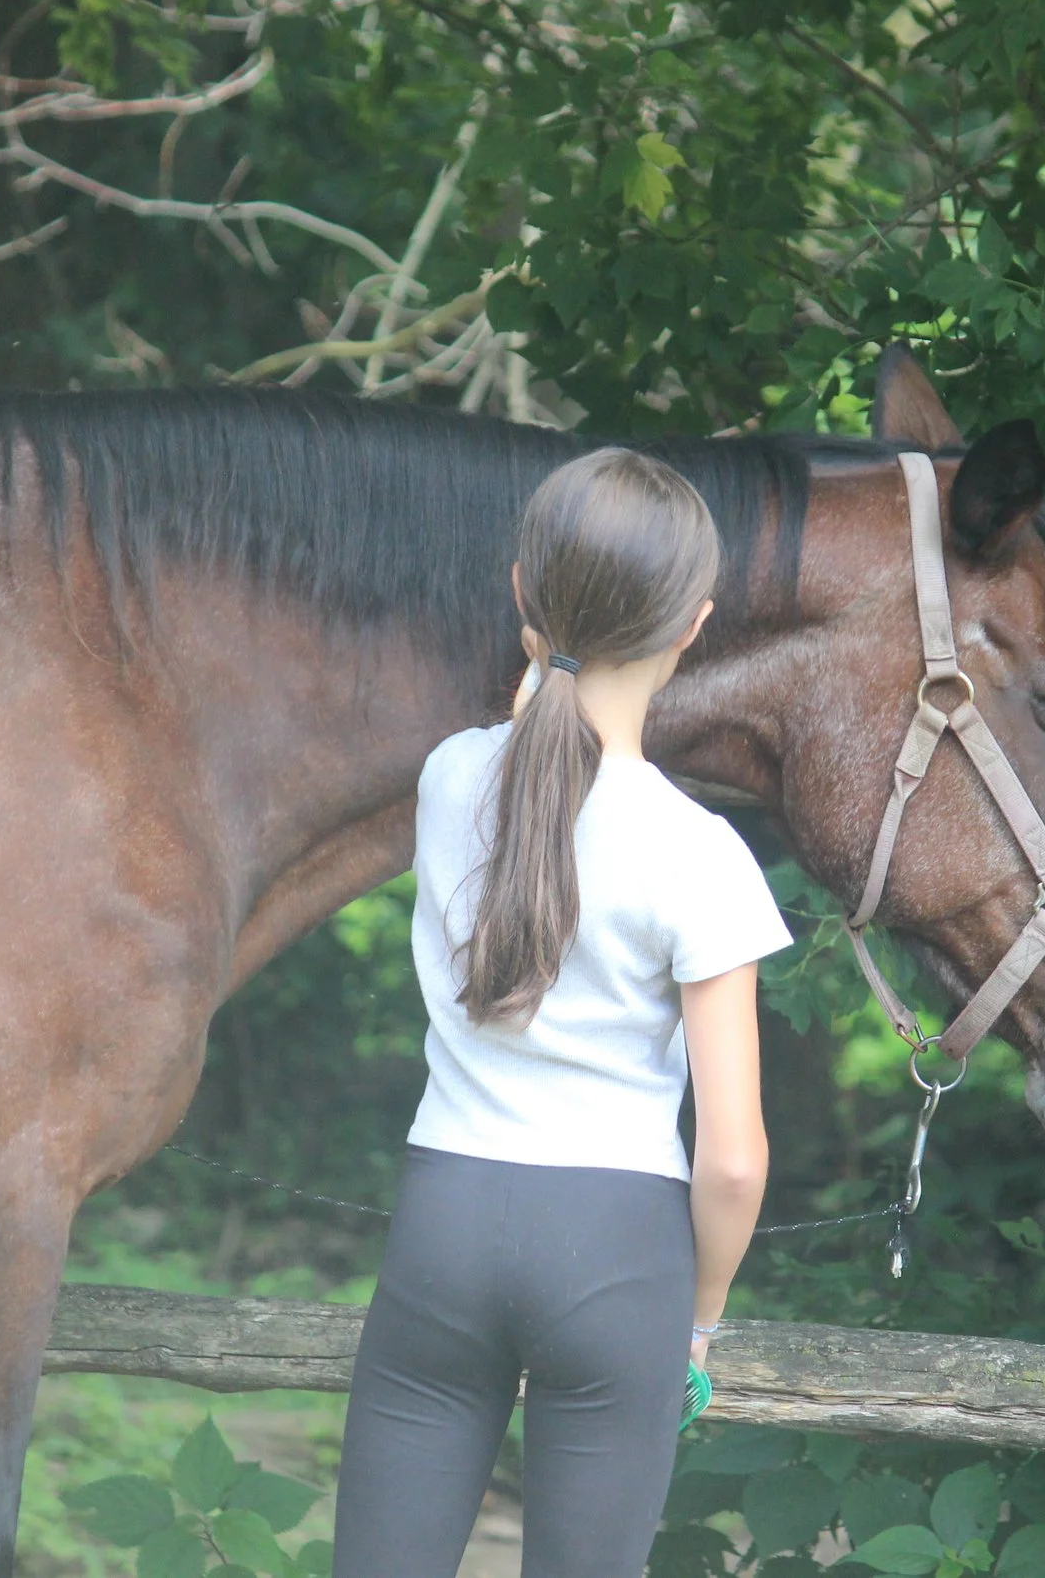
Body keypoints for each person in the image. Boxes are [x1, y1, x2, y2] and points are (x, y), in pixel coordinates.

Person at [329, 447, 788, 1577]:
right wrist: (697, 1324)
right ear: (694, 626)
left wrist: (545, 663)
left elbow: (532, 750)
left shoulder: (447, 779)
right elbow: (732, 1161)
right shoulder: (701, 853)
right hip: (617, 1252)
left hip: (443, 1218)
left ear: (522, 591)